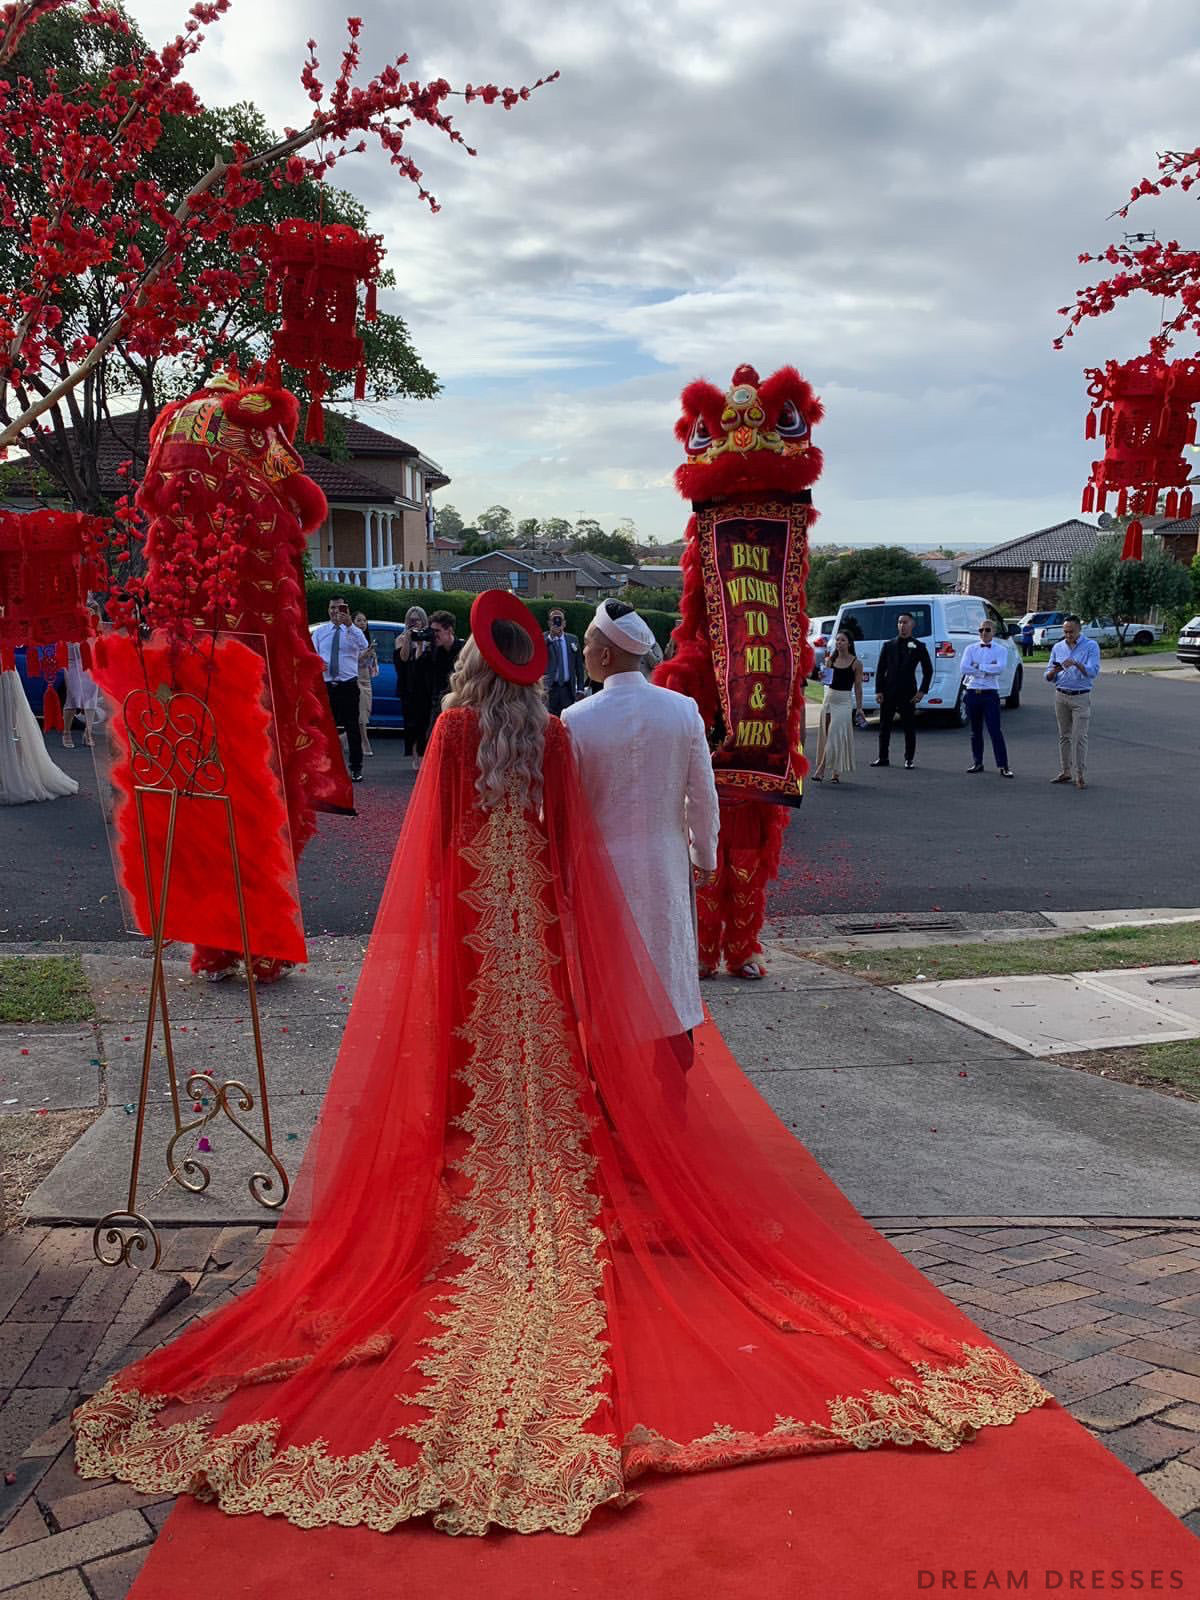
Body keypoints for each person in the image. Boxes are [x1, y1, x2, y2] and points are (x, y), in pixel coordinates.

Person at [73, 588, 1046, 1538]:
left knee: (464, 1062)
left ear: (464, 664)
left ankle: (470, 1190)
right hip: (536, 918)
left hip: (469, 922)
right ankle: (556, 1183)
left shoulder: (463, 734)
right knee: (548, 1061)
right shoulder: (553, 734)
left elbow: (439, 842)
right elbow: (569, 837)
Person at [562, 598, 719, 1041]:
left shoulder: (575, 719)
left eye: (589, 644)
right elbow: (703, 796)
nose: (585, 652)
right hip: (664, 862)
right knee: (668, 964)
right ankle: (673, 1080)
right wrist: (704, 853)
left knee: (610, 972)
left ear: (607, 654)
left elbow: (563, 805)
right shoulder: (681, 710)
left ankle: (614, 1079)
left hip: (600, 869)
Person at [0, 667, 78, 805]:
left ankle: (16, 772)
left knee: (11, 729)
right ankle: (14, 773)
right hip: (7, 674)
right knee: (12, 730)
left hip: (5, 675)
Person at [312, 597, 368, 783]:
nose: (336, 611)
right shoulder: (320, 632)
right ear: (328, 610)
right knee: (325, 728)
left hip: (348, 685)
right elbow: (312, 655)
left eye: (339, 607)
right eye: (332, 608)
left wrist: (350, 625)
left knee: (352, 727)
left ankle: (356, 768)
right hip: (327, 685)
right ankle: (325, 767)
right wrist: (319, 665)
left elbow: (363, 646)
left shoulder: (352, 631)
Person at [872, 612, 932, 770]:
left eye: (905, 622)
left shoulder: (918, 646)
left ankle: (909, 759)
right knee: (884, 726)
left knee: (909, 726)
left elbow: (928, 670)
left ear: (912, 625)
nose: (902, 625)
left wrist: (922, 691)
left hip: (908, 692)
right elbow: (880, 669)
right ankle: (883, 756)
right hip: (889, 690)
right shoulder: (888, 645)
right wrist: (879, 690)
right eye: (900, 622)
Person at [1045, 615, 1100, 789]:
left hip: (1080, 696)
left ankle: (1080, 774)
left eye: (1071, 632)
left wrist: (1076, 664)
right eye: (1065, 632)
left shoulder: (1090, 646)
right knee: (1064, 735)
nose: (1068, 635)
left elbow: (1092, 671)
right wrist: (1054, 672)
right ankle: (1065, 771)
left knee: (1079, 736)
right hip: (1061, 695)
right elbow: (1048, 674)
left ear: (1079, 630)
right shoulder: (1058, 647)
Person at [961, 620, 1014, 778]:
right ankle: (977, 762)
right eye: (981, 630)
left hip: (990, 693)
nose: (984, 633)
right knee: (975, 731)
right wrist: (986, 669)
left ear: (994, 632)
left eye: (987, 630)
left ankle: (1003, 765)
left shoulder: (1001, 649)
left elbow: (1000, 668)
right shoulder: (970, 648)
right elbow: (964, 668)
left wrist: (977, 666)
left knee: (994, 730)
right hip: (972, 692)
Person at [811, 629, 863, 785]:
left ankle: (821, 769)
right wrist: (821, 677)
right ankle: (835, 772)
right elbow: (826, 683)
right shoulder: (830, 660)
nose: (839, 643)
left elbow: (858, 687)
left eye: (843, 640)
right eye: (838, 640)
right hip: (829, 699)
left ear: (849, 643)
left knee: (835, 735)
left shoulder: (856, 663)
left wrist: (859, 708)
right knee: (827, 736)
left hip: (844, 701)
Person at [397, 604, 432, 768]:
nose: (414, 623)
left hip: (424, 686)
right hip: (408, 685)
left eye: (417, 620)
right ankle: (414, 757)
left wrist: (420, 643)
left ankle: (424, 754)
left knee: (424, 722)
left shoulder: (428, 638)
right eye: (411, 621)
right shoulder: (401, 638)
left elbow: (422, 661)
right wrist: (408, 639)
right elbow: (403, 658)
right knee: (410, 724)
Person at [424, 608, 463, 744]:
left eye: (437, 631)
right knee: (432, 740)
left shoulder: (463, 651)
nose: (434, 635)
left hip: (458, 703)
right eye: (432, 631)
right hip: (437, 704)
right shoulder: (432, 652)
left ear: (450, 630)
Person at [543, 606, 585, 715]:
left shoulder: (573, 639)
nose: (557, 622)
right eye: (554, 619)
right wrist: (551, 637)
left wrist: (580, 688)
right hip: (549, 689)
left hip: (568, 689)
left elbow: (579, 666)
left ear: (564, 623)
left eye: (559, 619)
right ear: (549, 623)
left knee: (568, 721)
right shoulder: (542, 639)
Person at [353, 611, 379, 759]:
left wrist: (372, 655)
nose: (362, 623)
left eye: (364, 620)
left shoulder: (367, 639)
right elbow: (350, 659)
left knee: (367, 711)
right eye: (359, 620)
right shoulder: (351, 638)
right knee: (361, 711)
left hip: (367, 678)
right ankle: (364, 742)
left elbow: (373, 667)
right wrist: (364, 655)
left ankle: (345, 739)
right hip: (355, 677)